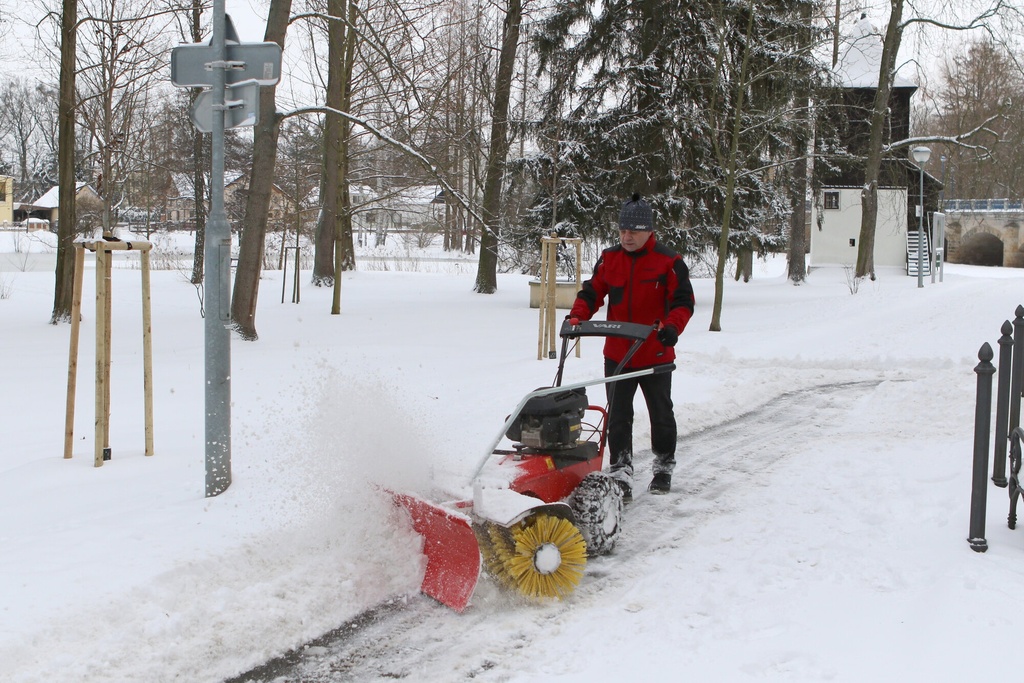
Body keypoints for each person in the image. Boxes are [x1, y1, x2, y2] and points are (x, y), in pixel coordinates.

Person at [569, 194, 695, 500]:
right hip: (618, 355)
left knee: (661, 414)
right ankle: (621, 469)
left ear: (649, 231)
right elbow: (592, 292)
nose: (627, 236)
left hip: (655, 354)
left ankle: (663, 466)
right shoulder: (609, 259)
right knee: (619, 415)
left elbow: (683, 302)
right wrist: (577, 317)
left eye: (634, 231)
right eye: (623, 230)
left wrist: (672, 327)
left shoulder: (669, 262)